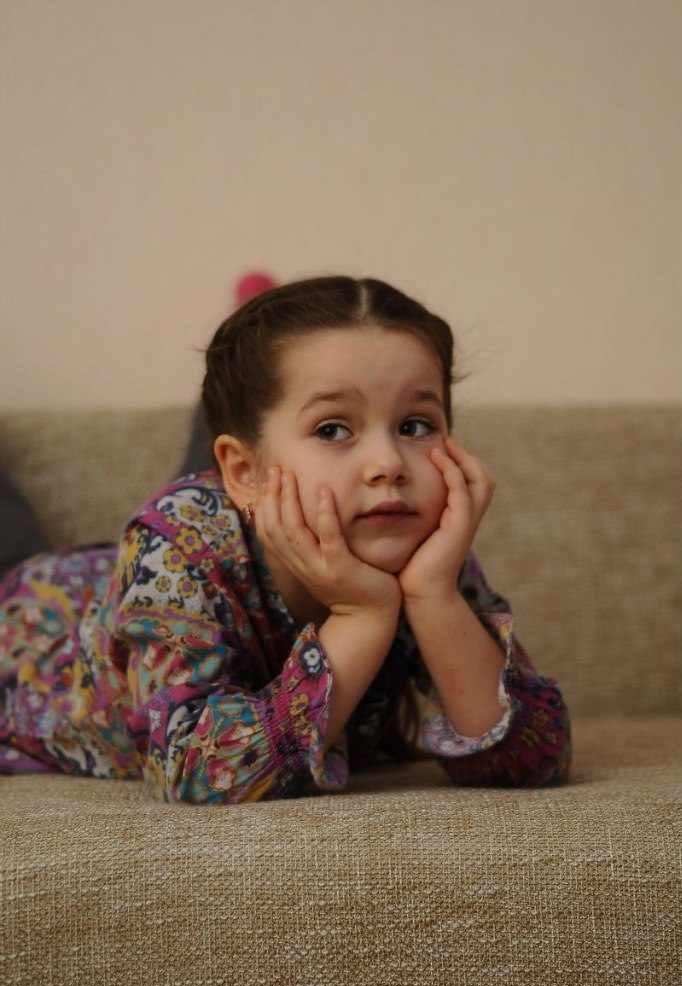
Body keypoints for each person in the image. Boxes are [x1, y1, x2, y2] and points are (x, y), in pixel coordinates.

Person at [0, 275, 572, 802]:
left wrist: (435, 596)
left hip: (194, 551)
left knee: (273, 461)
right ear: (241, 471)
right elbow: (198, 769)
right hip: (35, 618)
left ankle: (264, 376)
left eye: (415, 426)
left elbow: (534, 760)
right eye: (333, 428)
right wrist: (362, 614)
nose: (389, 464)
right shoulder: (174, 542)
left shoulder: (416, 544)